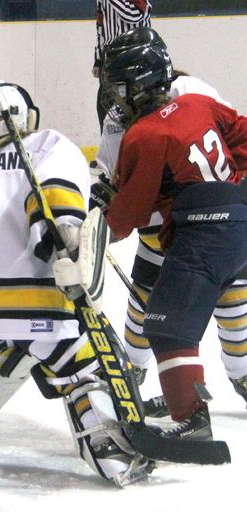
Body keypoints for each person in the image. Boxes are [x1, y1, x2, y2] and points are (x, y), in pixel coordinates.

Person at [0, 80, 152, 486]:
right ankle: (113, 454)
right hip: (22, 294)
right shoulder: (48, 144)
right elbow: (53, 204)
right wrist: (66, 241)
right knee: (78, 358)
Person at [91, 27, 247, 413]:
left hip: (186, 216)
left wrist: (100, 228)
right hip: (203, 213)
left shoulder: (154, 118)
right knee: (199, 285)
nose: (113, 95)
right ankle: (135, 366)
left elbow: (127, 202)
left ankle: (229, 376)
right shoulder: (191, 97)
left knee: (174, 301)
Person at [93, 0, 152, 132]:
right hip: (111, 55)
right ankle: (110, 147)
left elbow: (134, 15)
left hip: (136, 53)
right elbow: (100, 27)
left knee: (137, 106)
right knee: (105, 106)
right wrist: (98, 59)